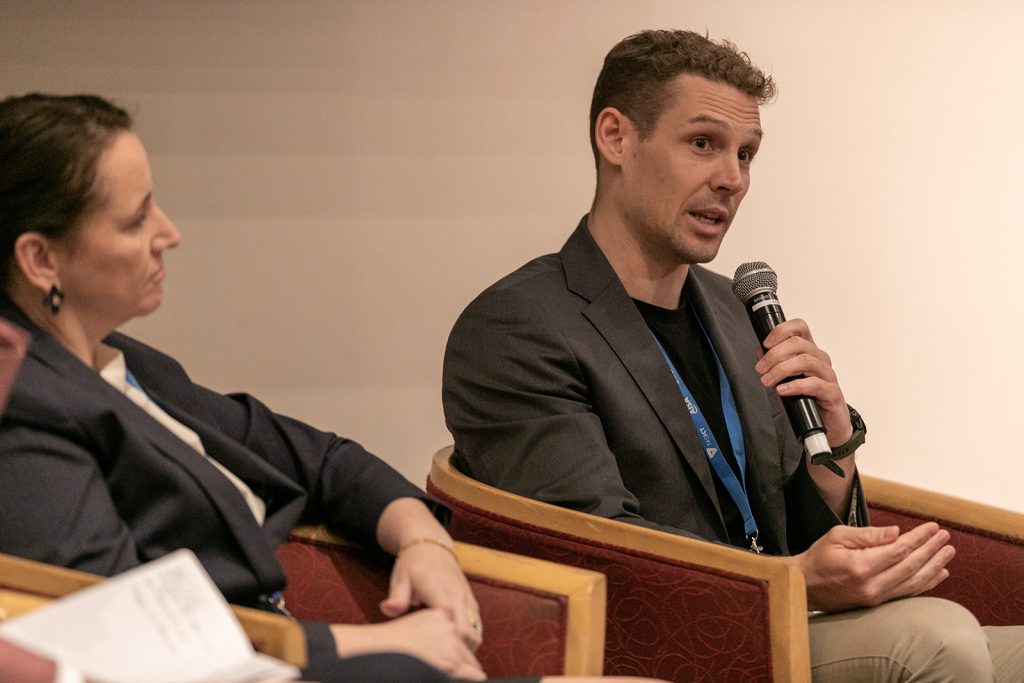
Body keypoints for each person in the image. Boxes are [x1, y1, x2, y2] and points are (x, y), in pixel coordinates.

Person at [0, 93, 660, 683]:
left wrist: (423, 541)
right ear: (40, 258)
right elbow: (122, 642)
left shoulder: (125, 363)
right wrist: (371, 642)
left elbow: (322, 460)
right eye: (136, 219)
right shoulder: (24, 412)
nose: (169, 233)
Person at [442, 30, 1024, 682]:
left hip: (778, 615)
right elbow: (595, 548)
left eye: (746, 153)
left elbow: (795, 532)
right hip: (660, 648)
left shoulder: (734, 308)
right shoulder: (520, 328)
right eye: (703, 143)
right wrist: (789, 580)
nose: (732, 178)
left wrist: (834, 450)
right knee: (939, 640)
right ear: (616, 138)